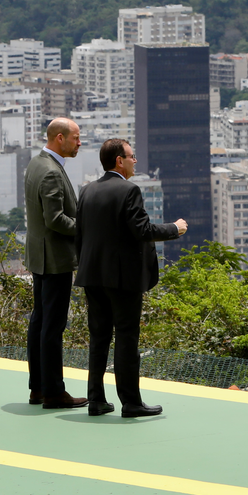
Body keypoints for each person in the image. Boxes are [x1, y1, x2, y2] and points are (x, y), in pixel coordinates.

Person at [75, 138, 187, 418]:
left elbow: (81, 234)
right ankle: (131, 402)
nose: (135, 160)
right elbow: (142, 230)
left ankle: (96, 400)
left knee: (98, 338)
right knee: (126, 338)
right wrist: (174, 228)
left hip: (91, 275)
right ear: (119, 161)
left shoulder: (86, 191)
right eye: (131, 156)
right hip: (122, 278)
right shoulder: (129, 190)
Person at [23, 117, 88, 410]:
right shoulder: (51, 172)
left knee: (39, 322)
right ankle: (53, 391)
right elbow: (55, 219)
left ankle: (38, 387)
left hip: (39, 255)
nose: (79, 143)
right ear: (59, 138)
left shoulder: (37, 163)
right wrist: (87, 227)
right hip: (55, 259)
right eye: (75, 137)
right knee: (52, 326)